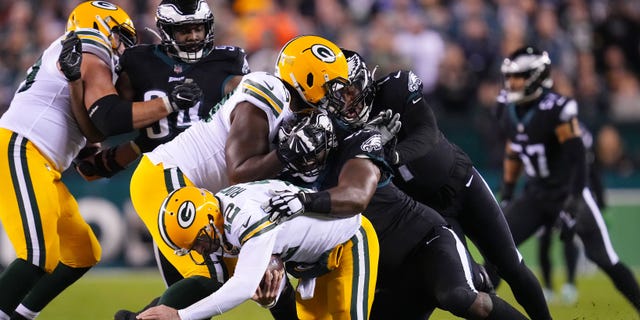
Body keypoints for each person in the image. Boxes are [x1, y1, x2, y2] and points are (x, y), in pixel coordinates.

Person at [263, 42, 528, 319]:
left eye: (315, 146)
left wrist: (304, 201)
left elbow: (354, 196)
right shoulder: (286, 186)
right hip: (384, 275)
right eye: (301, 152)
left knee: (460, 297)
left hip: (423, 242)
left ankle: (474, 276)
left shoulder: (355, 142)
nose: (310, 157)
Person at [123, 34, 351, 319]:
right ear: (306, 78)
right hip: (170, 179)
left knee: (263, 278)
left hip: (211, 199)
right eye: (331, 86)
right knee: (214, 278)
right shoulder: (268, 91)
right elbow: (239, 173)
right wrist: (286, 154)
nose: (337, 95)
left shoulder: (302, 116)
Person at [0, 1, 199, 319]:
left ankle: (19, 315)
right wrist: (167, 104)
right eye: (121, 36)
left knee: (82, 252)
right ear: (100, 26)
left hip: (42, 159)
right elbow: (109, 118)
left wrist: (79, 92)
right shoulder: (88, 44)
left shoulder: (77, 60)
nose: (125, 48)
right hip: (20, 146)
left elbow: (92, 129)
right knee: (37, 253)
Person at [338, 49, 552, 320]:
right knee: (467, 288)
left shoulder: (395, 89)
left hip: (459, 181)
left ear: (365, 80)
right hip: (426, 212)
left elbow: (426, 131)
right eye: (338, 93)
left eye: (349, 90)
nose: (347, 101)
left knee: (511, 264)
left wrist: (391, 155)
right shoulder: (339, 129)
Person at [494, 46, 640, 314]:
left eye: (519, 77)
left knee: (604, 258)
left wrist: (573, 202)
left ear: (536, 77)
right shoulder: (505, 107)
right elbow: (514, 150)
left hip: (567, 190)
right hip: (536, 194)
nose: (511, 83)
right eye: (510, 77)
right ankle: (482, 312)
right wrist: (508, 191)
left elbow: (578, 159)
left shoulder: (557, 109)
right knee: (497, 253)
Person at [136, 178, 378, 320]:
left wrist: (181, 316)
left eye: (199, 241)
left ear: (210, 218)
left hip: (347, 240)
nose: (200, 250)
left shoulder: (243, 218)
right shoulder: (220, 213)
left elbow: (243, 286)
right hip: (308, 264)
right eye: (192, 247)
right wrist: (271, 301)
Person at [79, 0, 250, 183]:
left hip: (216, 167)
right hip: (161, 170)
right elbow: (110, 117)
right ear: (166, 31)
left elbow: (251, 117)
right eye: (184, 30)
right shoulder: (138, 62)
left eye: (198, 29)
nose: (193, 36)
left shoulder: (228, 62)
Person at [536, 122, 606, 305]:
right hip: (544, 193)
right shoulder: (544, 130)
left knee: (568, 237)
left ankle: (570, 284)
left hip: (567, 194)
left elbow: (590, 169)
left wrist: (599, 200)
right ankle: (548, 287)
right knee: (544, 241)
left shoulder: (578, 133)